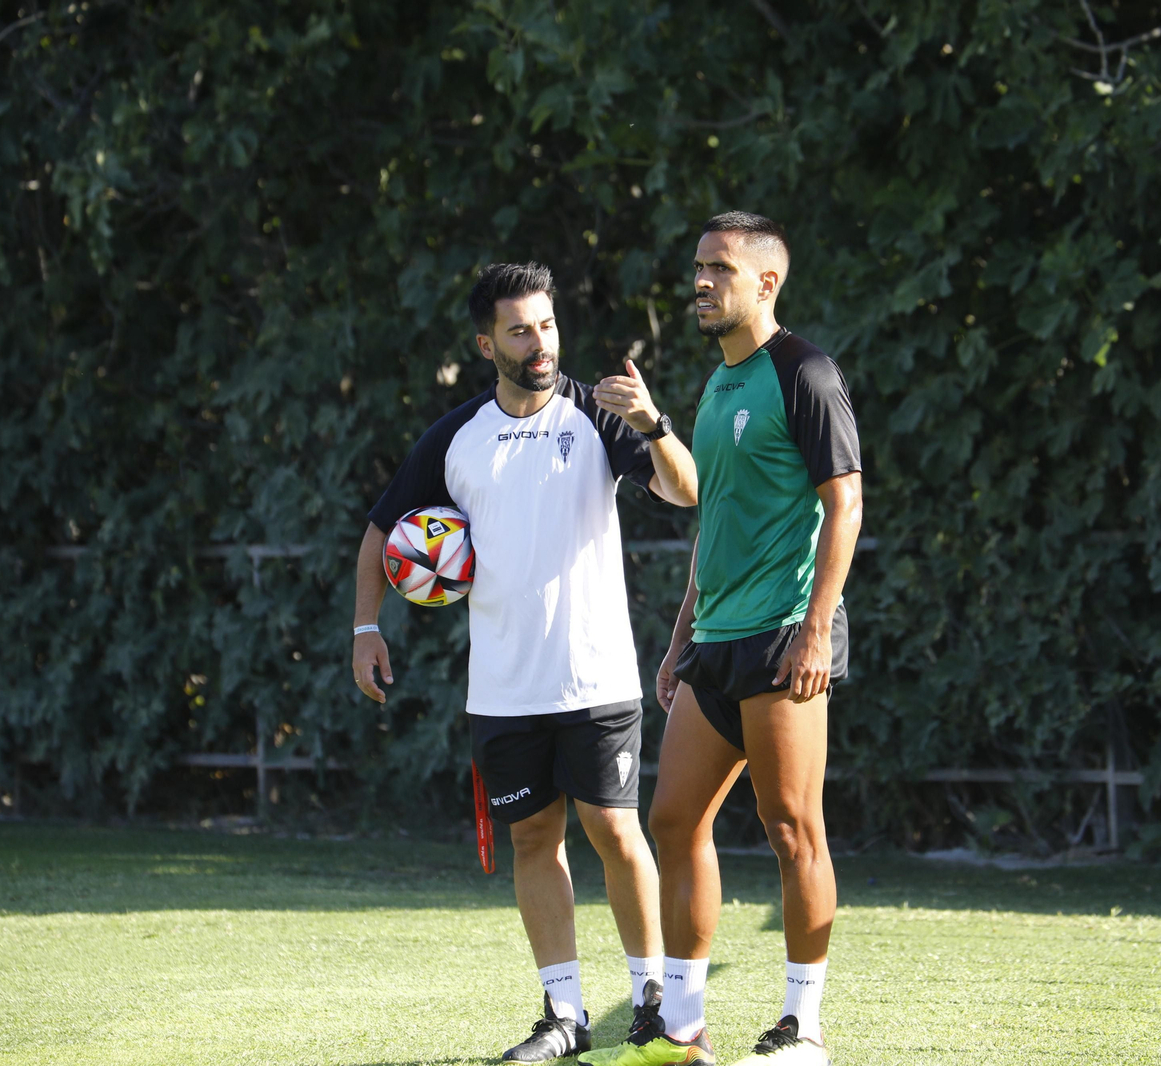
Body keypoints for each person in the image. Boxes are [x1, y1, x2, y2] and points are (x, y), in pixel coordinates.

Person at [350, 262, 699, 1062]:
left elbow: (685, 491)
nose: (538, 343)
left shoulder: (599, 416)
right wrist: (365, 628)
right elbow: (381, 533)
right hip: (503, 689)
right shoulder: (455, 437)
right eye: (518, 329)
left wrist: (652, 422)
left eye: (545, 325)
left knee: (614, 829)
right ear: (486, 343)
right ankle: (566, 1015)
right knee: (535, 841)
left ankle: (650, 1002)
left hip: (597, 676)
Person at [583, 213, 861, 1066]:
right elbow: (716, 520)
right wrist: (677, 640)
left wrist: (817, 630)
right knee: (673, 820)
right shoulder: (714, 388)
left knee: (791, 829)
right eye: (698, 268)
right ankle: (684, 1028)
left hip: (785, 638)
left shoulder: (804, 373)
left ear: (766, 283)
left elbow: (845, 501)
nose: (701, 282)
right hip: (713, 641)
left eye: (719, 269)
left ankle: (802, 1028)